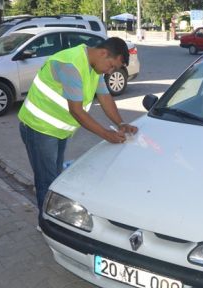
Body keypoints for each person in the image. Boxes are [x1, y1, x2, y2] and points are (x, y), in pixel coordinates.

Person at [18, 37, 138, 212]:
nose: (110, 71)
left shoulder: (94, 67)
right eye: (111, 66)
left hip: (58, 131)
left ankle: (53, 218)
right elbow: (76, 111)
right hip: (39, 129)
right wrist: (107, 134)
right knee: (47, 181)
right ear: (103, 53)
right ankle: (47, 224)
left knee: (55, 179)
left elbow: (105, 97)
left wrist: (121, 123)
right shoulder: (71, 65)